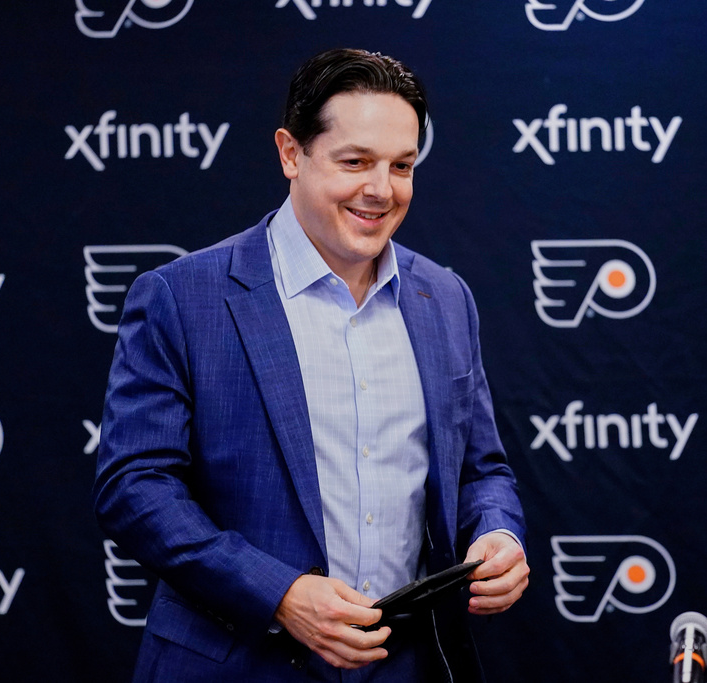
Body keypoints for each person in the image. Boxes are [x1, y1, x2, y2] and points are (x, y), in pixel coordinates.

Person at [94, 48, 528, 682]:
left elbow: (480, 469)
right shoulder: (182, 297)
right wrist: (279, 594)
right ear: (291, 154)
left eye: (401, 166)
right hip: (239, 666)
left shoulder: (446, 299)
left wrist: (499, 533)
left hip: (411, 667)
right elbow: (134, 486)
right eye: (355, 162)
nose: (381, 190)